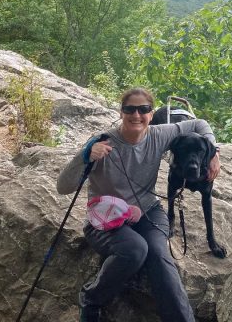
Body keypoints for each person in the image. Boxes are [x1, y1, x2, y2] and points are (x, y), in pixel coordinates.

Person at [56, 88, 220, 322]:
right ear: (121, 112)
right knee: (135, 250)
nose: (136, 115)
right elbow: (63, 187)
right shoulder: (103, 141)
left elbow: (200, 124)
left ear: (151, 114)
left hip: (148, 212)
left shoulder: (158, 135)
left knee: (160, 258)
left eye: (143, 109)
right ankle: (91, 298)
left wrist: (214, 152)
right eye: (129, 109)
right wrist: (86, 155)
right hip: (106, 218)